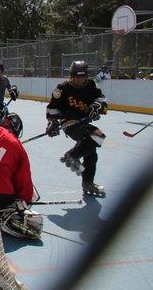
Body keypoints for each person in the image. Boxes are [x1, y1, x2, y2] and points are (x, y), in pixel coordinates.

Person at [45, 61, 107, 197]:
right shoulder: (62, 89)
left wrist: (96, 107)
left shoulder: (91, 85)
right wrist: (53, 123)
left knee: (91, 151)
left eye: (82, 77)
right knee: (98, 136)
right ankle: (72, 155)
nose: (80, 80)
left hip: (84, 123)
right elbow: (51, 109)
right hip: (70, 124)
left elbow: (101, 99)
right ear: (71, 76)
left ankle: (87, 183)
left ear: (86, 76)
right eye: (76, 77)